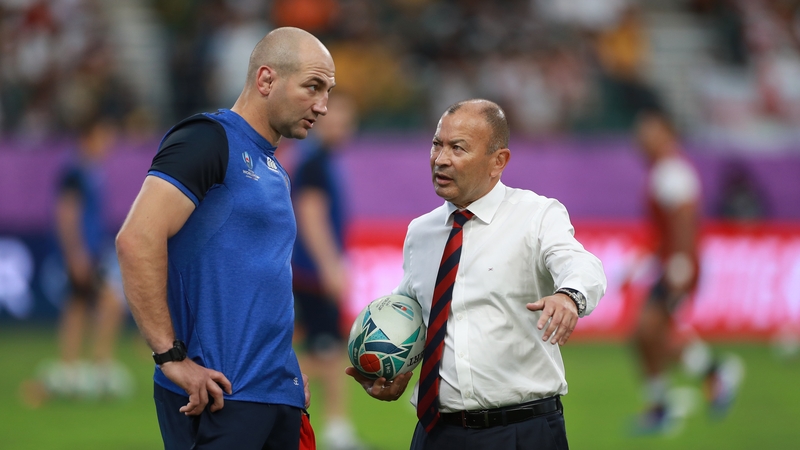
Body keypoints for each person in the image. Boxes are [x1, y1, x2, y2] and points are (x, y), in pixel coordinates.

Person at [115, 27, 335, 449]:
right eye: (313, 87)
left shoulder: (276, 169)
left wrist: (283, 370)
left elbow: (258, 285)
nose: (323, 106)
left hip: (277, 393)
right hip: (219, 397)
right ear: (266, 80)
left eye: (328, 91)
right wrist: (169, 357)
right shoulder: (207, 139)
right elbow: (137, 239)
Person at [346, 99, 607, 450]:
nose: (441, 159)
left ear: (498, 161)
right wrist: (393, 368)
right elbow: (416, 314)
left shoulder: (536, 215)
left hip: (522, 432)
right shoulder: (420, 233)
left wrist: (569, 296)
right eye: (437, 144)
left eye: (458, 148)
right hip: (436, 433)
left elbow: (582, 264)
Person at [632, 109, 743, 433]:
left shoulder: (671, 172)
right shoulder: (665, 171)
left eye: (649, 133)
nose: (642, 141)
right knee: (650, 334)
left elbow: (683, 221)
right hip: (675, 263)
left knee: (649, 332)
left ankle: (665, 404)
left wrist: (679, 264)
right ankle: (708, 374)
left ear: (667, 134)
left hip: (680, 266)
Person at [22, 114, 131, 406]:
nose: (108, 143)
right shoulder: (75, 171)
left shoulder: (91, 170)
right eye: (103, 136)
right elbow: (66, 213)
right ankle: (97, 365)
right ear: (89, 137)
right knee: (109, 303)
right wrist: (75, 253)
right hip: (82, 252)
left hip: (91, 249)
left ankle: (73, 367)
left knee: (78, 305)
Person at [291, 94, 366, 450]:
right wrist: (330, 267)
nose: (344, 128)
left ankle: (337, 426)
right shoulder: (315, 163)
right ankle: (260, 382)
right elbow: (311, 217)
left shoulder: (324, 161)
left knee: (331, 350)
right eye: (338, 120)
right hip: (312, 274)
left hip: (313, 271)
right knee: (327, 353)